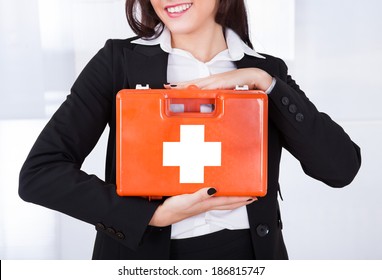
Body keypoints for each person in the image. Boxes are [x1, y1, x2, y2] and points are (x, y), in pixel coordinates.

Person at [19, 0, 361, 260]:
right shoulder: (117, 62)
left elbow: (340, 168)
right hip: (146, 259)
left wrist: (262, 82)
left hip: (251, 257)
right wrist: (152, 215)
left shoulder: (267, 70)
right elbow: (41, 173)